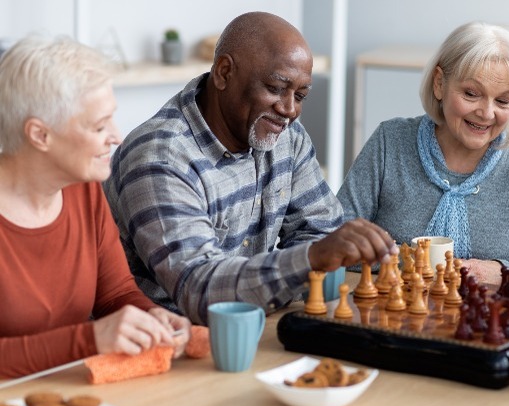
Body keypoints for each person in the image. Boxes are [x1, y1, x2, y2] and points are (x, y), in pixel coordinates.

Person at [103, 12, 396, 326]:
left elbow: (322, 232)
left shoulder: (287, 139)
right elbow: (199, 291)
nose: (289, 110)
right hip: (168, 346)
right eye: (274, 88)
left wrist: (317, 257)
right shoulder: (159, 157)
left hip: (253, 327)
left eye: (300, 96)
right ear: (224, 72)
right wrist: (309, 260)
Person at [0, 35, 191, 378]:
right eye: (99, 126)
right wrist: (90, 339)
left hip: (69, 394)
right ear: (40, 135)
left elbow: (115, 294)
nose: (116, 136)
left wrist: (150, 317)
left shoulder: (85, 189)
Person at [337, 22, 509, 285]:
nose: (487, 113)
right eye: (471, 94)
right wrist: (414, 263)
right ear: (440, 83)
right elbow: (336, 240)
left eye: (502, 101)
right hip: (390, 316)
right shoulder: (389, 142)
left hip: (487, 322)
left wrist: (502, 273)